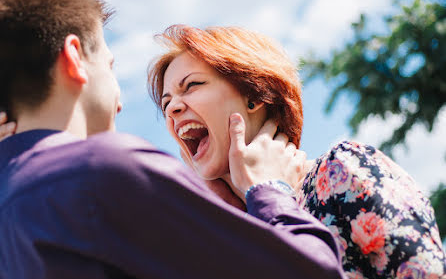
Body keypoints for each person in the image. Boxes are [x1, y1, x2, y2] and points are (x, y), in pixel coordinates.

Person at [0, 0, 346, 279]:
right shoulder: (104, 169)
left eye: (191, 86)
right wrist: (272, 191)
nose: (171, 109)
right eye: (110, 65)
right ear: (74, 58)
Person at [147, 24, 446, 278]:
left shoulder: (341, 170)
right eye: (166, 103)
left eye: (192, 85)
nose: (173, 108)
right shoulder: (213, 241)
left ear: (254, 95)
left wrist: (268, 194)